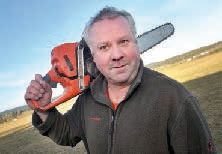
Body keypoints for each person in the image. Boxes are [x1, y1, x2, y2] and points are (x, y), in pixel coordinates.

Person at [24, 6, 216, 153]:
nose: (116, 55)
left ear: (136, 44)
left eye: (123, 41)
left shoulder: (174, 98)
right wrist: (44, 109)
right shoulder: (87, 99)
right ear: (93, 56)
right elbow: (66, 133)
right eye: (104, 47)